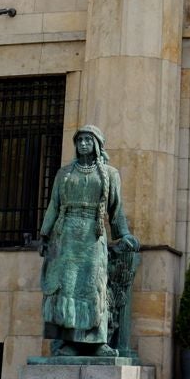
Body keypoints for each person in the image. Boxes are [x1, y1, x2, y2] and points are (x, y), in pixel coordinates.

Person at [37, 126, 138, 355]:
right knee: (68, 289)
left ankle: (97, 342)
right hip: (66, 237)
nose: (83, 144)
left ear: (97, 144)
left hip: (93, 236)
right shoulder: (64, 173)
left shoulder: (110, 174)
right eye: (80, 140)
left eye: (87, 140)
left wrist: (124, 234)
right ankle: (69, 343)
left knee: (93, 287)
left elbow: (116, 209)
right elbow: (54, 205)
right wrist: (44, 236)